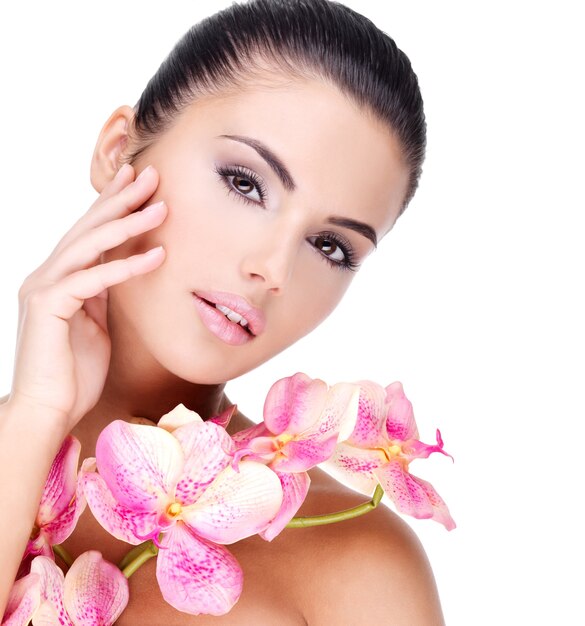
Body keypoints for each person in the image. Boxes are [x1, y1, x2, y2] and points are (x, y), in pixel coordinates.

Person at [0, 0, 445, 623]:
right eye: (245, 182)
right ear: (118, 150)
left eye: (331, 246)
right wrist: (33, 418)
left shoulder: (356, 564)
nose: (275, 268)